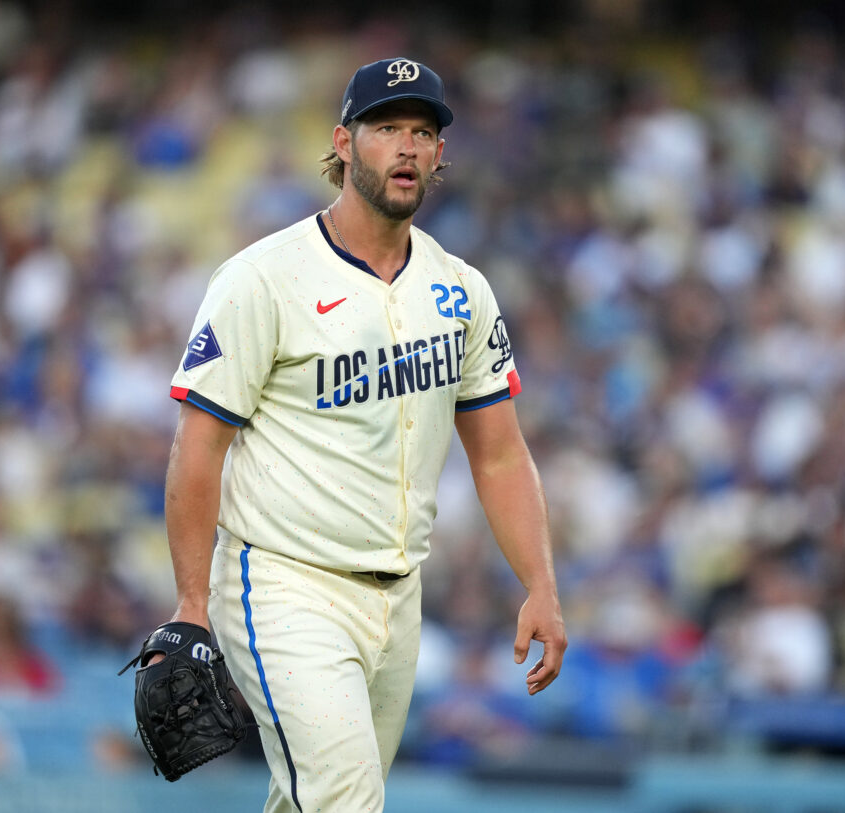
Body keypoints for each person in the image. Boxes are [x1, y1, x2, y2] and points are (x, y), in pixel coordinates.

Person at [150, 57, 566, 811]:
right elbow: (198, 445)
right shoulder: (264, 277)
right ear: (344, 142)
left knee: (312, 800)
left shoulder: (462, 289)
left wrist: (540, 582)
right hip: (282, 584)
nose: (406, 146)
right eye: (386, 128)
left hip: (398, 596)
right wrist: (190, 603)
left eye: (423, 131)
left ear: (441, 154)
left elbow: (501, 453)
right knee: (346, 798)